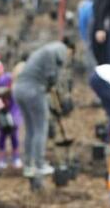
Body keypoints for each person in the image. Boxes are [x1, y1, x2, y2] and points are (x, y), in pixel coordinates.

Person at [13, 39, 73, 179]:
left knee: (30, 129)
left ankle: (28, 165)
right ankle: (39, 165)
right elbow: (52, 75)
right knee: (41, 127)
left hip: (18, 90)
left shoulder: (44, 50)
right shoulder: (59, 49)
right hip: (33, 91)